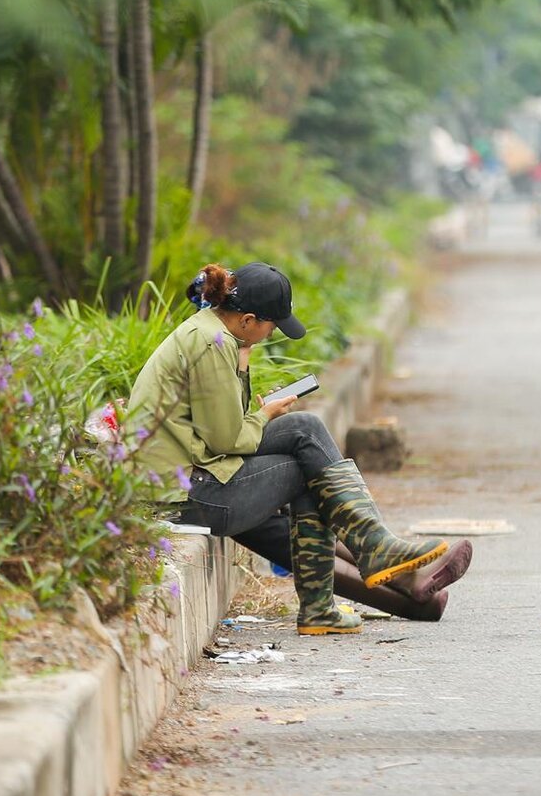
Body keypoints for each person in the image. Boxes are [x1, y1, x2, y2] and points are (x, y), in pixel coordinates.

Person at [126, 262, 472, 635]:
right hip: (189, 493)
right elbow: (227, 439)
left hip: (189, 478)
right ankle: (364, 564)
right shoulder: (214, 343)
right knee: (305, 454)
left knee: (304, 434)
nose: (271, 332)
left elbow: (219, 431)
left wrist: (246, 379)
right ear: (247, 319)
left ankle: (380, 570)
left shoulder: (212, 334)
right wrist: (264, 414)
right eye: (270, 326)